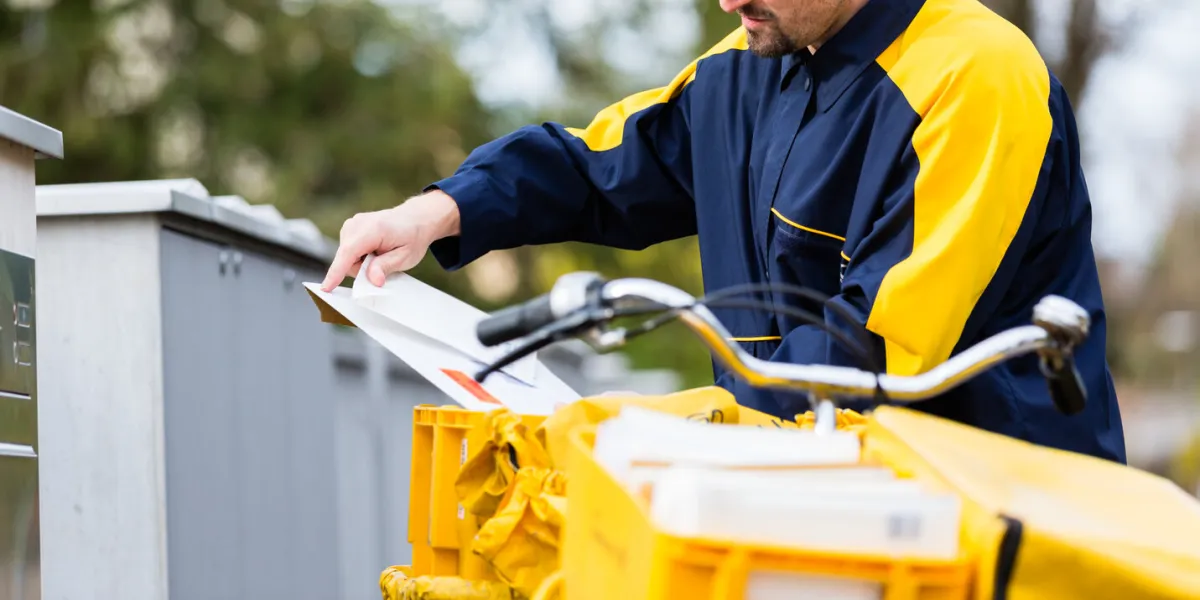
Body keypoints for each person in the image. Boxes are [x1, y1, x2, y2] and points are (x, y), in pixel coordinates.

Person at [322, 0, 1127, 463]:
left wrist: (657, 429)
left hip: (1004, 532)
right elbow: (602, 166)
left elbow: (870, 357)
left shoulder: (979, 79)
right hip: (808, 506)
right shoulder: (750, 60)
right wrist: (440, 210)